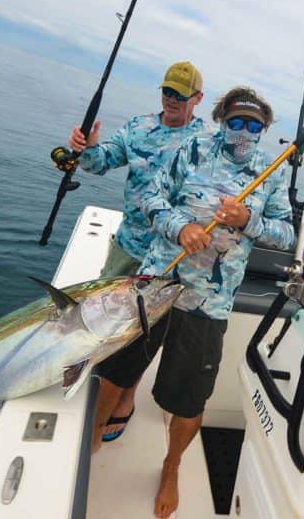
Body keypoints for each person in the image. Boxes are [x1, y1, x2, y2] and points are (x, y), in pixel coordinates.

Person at [92, 86, 295, 518]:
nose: (243, 131)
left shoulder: (272, 171)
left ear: (263, 130)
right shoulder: (191, 148)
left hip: (209, 301)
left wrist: (248, 220)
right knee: (118, 367)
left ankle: (171, 466)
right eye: (236, 121)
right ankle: (92, 436)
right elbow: (152, 198)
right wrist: (180, 227)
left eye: (253, 125)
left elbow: (287, 234)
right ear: (221, 119)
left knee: (189, 399)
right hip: (158, 282)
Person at [68, 60, 207, 440]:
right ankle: (94, 377)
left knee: (145, 332)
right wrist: (87, 149)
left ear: (198, 98)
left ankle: (126, 395)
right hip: (129, 244)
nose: (172, 100)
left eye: (181, 94)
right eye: (167, 91)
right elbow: (100, 163)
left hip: (171, 257)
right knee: (103, 315)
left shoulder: (206, 143)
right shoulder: (138, 127)